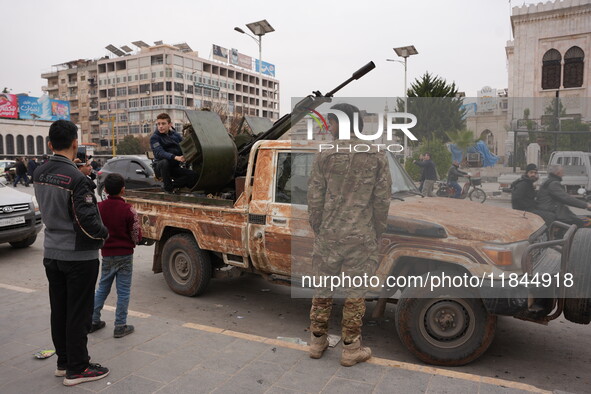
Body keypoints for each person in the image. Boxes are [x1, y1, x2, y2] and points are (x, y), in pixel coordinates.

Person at [307, 103, 392, 367]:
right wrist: (376, 231)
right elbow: (382, 201)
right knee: (355, 294)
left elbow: (314, 198)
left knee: (323, 289)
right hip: (361, 236)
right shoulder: (376, 154)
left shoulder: (325, 155)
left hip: (329, 236)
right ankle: (350, 348)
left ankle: (317, 342)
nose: (328, 128)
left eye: (330, 122)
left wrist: (320, 228)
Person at [33, 119, 110, 387]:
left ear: (50, 144)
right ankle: (78, 368)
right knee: (79, 312)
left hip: (52, 253)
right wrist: (105, 233)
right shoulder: (77, 179)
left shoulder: (39, 173)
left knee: (60, 310)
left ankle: (63, 361)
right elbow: (88, 222)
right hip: (78, 258)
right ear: (76, 144)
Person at [90, 173, 142, 338]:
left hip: (107, 254)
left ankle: (93, 320)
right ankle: (120, 325)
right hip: (125, 255)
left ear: (105, 189)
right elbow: (136, 234)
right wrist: (136, 240)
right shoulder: (129, 209)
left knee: (102, 288)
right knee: (124, 291)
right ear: (123, 190)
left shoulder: (99, 208)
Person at [150, 113, 198, 193]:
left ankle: (170, 186)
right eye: (158, 124)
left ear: (170, 124)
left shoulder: (176, 136)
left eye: (163, 123)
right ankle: (168, 187)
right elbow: (159, 152)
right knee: (164, 162)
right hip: (160, 168)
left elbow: (185, 146)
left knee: (194, 176)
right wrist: (176, 157)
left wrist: (188, 155)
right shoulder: (155, 137)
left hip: (173, 167)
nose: (160, 126)